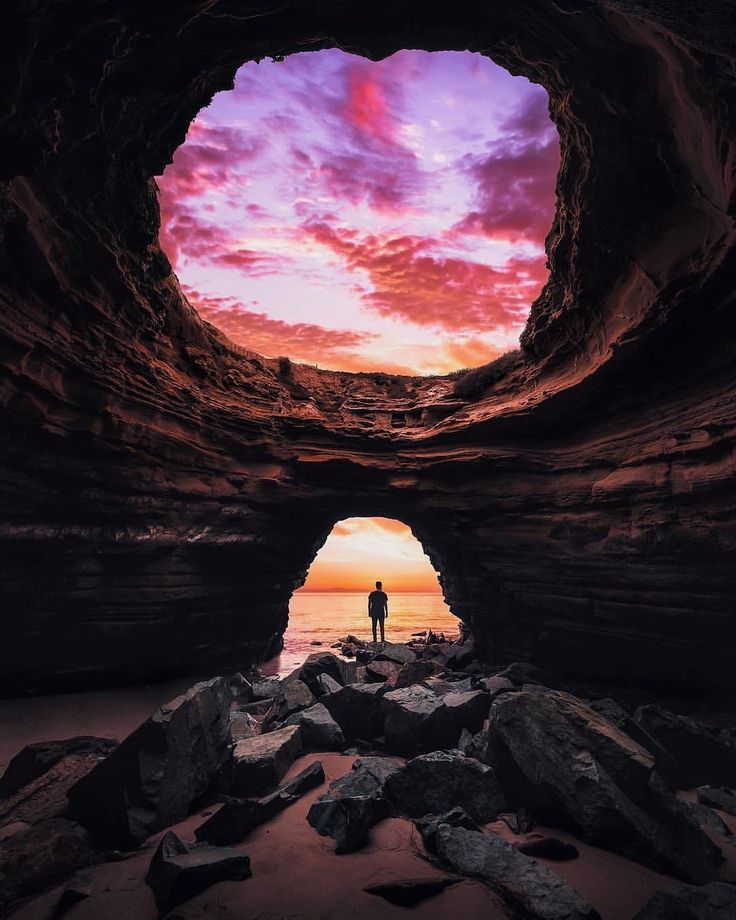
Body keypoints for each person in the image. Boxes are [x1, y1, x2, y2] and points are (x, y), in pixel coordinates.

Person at [368, 580, 388, 644]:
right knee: (382, 626)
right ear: (381, 586)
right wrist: (387, 612)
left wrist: (369, 611)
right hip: (381, 611)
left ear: (376, 586)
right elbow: (385, 604)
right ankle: (382, 639)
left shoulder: (372, 594)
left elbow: (369, 604)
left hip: (373, 611)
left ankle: (374, 640)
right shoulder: (384, 594)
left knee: (374, 626)